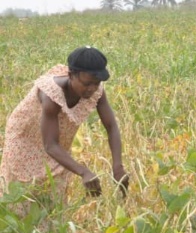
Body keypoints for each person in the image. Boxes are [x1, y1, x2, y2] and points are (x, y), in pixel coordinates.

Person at [0, 46, 129, 218]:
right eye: (86, 83)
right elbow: (50, 145)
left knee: (53, 189)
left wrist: (118, 166)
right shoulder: (51, 96)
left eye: (96, 83)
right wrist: (84, 171)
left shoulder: (96, 90)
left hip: (56, 139)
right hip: (25, 136)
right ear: (71, 76)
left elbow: (111, 126)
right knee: (23, 192)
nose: (91, 88)